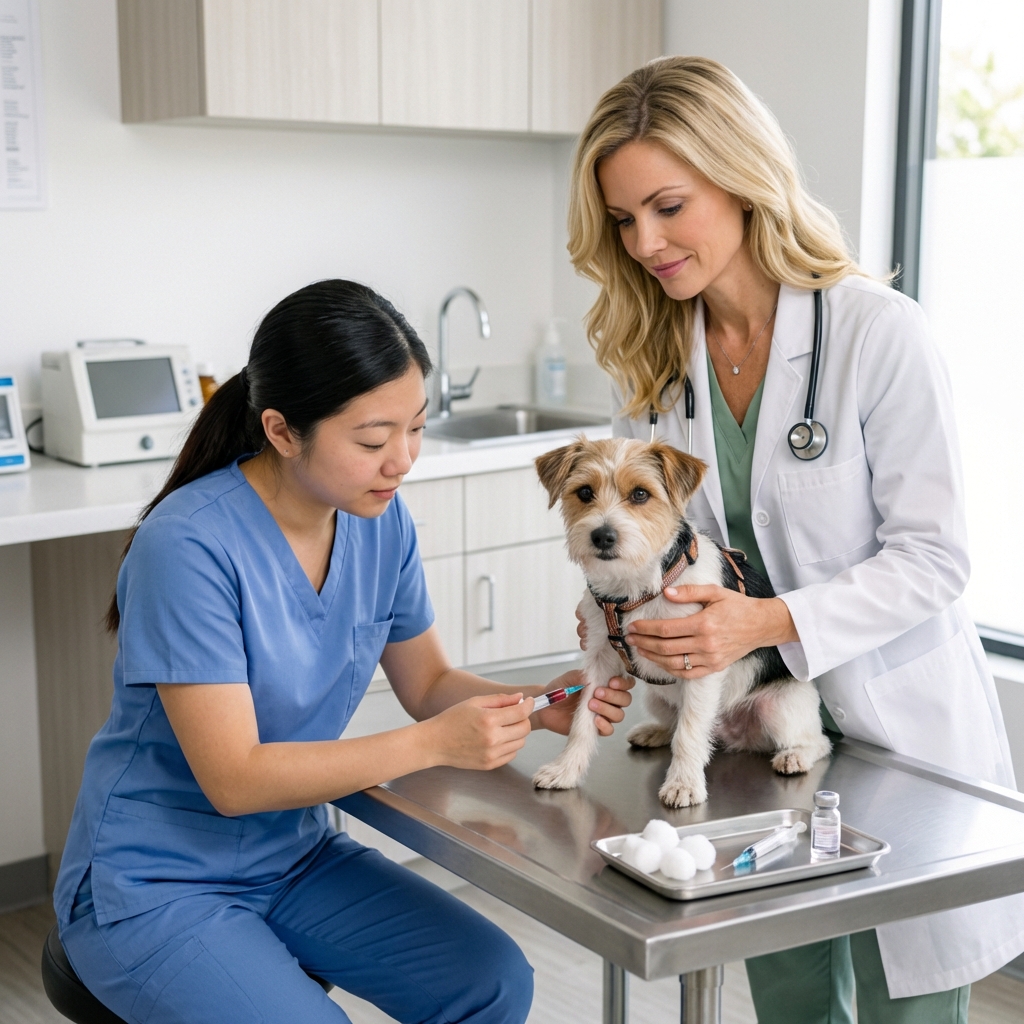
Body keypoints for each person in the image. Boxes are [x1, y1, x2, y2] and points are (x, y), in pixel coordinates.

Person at [567, 56, 1023, 1024]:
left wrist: (761, 619)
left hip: (891, 733)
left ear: (740, 179)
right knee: (788, 991)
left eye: (666, 205)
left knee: (909, 1002)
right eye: (621, 219)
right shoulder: (656, 371)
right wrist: (624, 640)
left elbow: (936, 557)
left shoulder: (875, 333)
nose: (643, 241)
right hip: (755, 742)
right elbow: (653, 556)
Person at [53, 280, 634, 1024]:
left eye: (416, 428)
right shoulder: (189, 546)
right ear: (283, 430)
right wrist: (432, 745)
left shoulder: (379, 523)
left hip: (290, 855)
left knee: (491, 981)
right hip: (154, 882)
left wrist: (538, 706)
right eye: (372, 440)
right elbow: (233, 779)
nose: (403, 461)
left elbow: (428, 683)